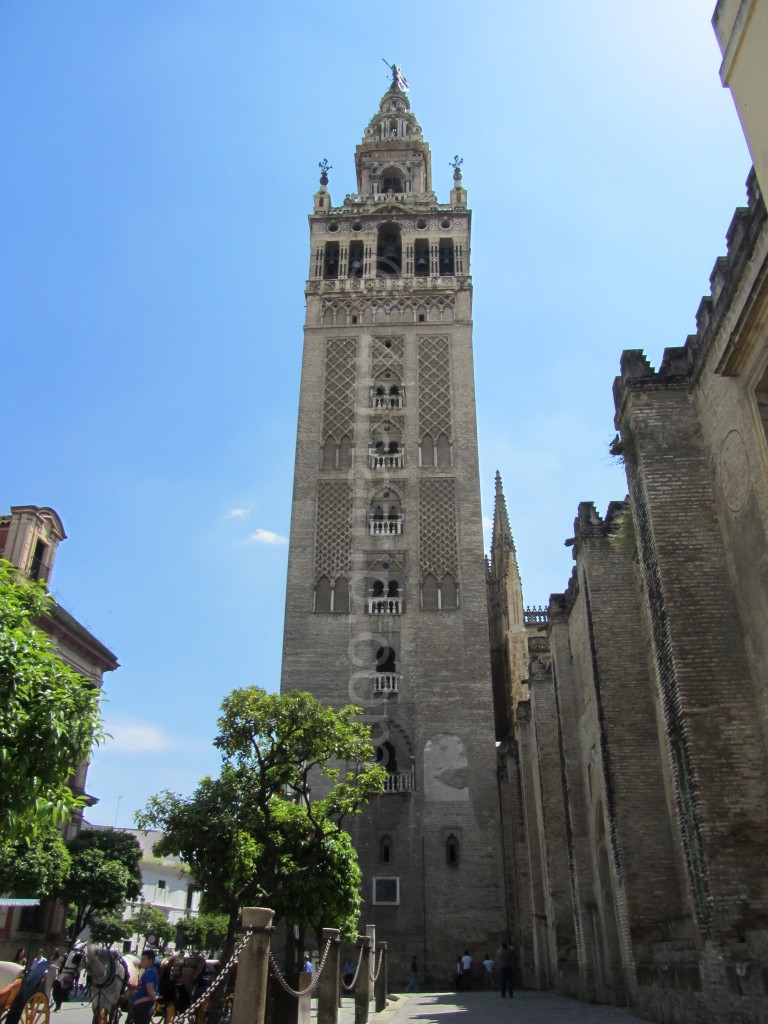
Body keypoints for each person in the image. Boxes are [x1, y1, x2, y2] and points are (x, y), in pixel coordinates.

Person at [131, 950, 159, 1024]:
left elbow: (150, 993)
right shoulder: (148, 971)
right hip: (140, 1006)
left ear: (150, 960)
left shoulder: (150, 972)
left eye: (143, 959)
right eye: (141, 959)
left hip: (143, 1007)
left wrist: (137, 1001)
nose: (141, 961)